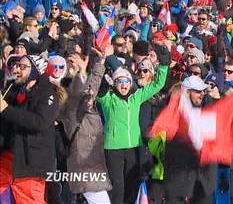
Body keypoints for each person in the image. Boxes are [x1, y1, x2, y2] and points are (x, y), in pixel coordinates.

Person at [98, 47, 169, 203]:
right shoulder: (108, 99)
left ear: (131, 83)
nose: (123, 85)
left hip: (134, 147)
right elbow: (99, 88)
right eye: (120, 81)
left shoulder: (137, 96)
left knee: (132, 185)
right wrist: (103, 63)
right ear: (114, 83)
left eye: (126, 81)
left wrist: (164, 63)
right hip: (113, 147)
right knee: (117, 187)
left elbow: (158, 83)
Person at [59, 46, 113, 203]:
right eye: (70, 62)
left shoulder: (82, 91)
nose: (74, 65)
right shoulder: (64, 95)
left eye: (78, 61)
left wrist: (101, 61)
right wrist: (82, 72)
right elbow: (80, 94)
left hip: (90, 158)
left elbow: (91, 87)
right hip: (81, 161)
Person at [0, 54, 57, 204]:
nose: (17, 69)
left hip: (31, 162)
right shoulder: (14, 90)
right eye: (17, 65)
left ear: (35, 71)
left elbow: (40, 122)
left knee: (29, 199)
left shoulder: (47, 94)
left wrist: (6, 110)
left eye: (23, 67)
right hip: (10, 155)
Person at [158, 75, 217, 204]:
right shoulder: (171, 113)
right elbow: (159, 146)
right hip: (177, 179)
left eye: (203, 91)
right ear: (187, 92)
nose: (201, 94)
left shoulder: (207, 112)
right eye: (197, 91)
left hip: (202, 181)